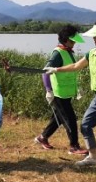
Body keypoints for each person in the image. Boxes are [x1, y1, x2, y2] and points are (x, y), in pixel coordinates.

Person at [45, 19, 96, 173]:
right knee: (85, 125)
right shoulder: (92, 53)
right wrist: (56, 70)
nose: (94, 39)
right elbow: (76, 66)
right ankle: (93, 156)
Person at [34, 25, 89, 155]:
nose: (74, 43)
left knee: (58, 118)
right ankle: (74, 146)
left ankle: (42, 137)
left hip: (66, 93)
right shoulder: (58, 53)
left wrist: (78, 87)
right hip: (58, 94)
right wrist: (49, 90)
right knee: (70, 119)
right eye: (72, 40)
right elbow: (45, 71)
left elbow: (71, 70)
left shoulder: (68, 51)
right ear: (65, 40)